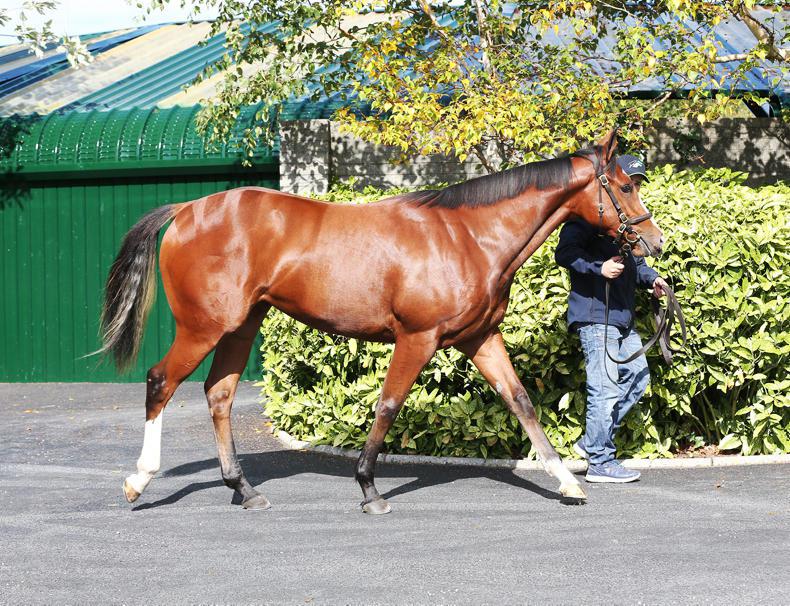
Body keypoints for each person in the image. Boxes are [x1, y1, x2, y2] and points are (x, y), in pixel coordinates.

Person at [555, 155, 669, 483]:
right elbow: (564, 254)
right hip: (595, 316)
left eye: (636, 185)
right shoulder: (586, 218)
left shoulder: (623, 224)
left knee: (637, 378)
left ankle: (593, 441)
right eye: (630, 184)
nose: (634, 190)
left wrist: (653, 280)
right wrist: (598, 268)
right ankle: (601, 461)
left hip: (622, 317)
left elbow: (636, 263)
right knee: (603, 389)